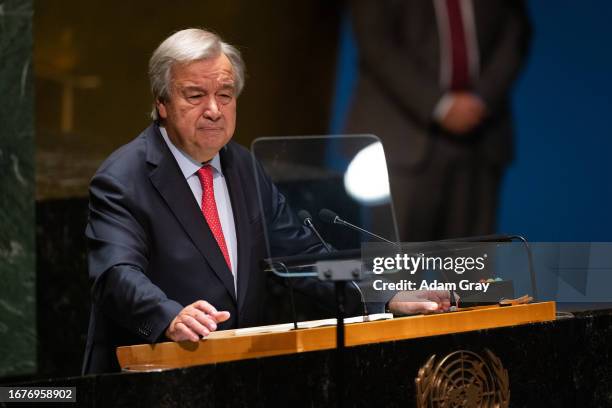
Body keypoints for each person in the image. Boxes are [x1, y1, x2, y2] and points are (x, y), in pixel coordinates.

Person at [83, 28, 449, 374]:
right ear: (161, 104)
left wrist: (384, 294)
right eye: (195, 95)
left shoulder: (242, 165)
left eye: (225, 95)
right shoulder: (123, 178)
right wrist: (169, 316)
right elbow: (115, 274)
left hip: (237, 373)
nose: (214, 109)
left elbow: (301, 256)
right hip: (150, 375)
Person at [346, 0, 532, 241]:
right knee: (396, 269)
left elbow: (516, 33)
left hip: (482, 136)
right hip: (401, 138)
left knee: (473, 267)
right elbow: (376, 42)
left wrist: (480, 100)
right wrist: (440, 105)